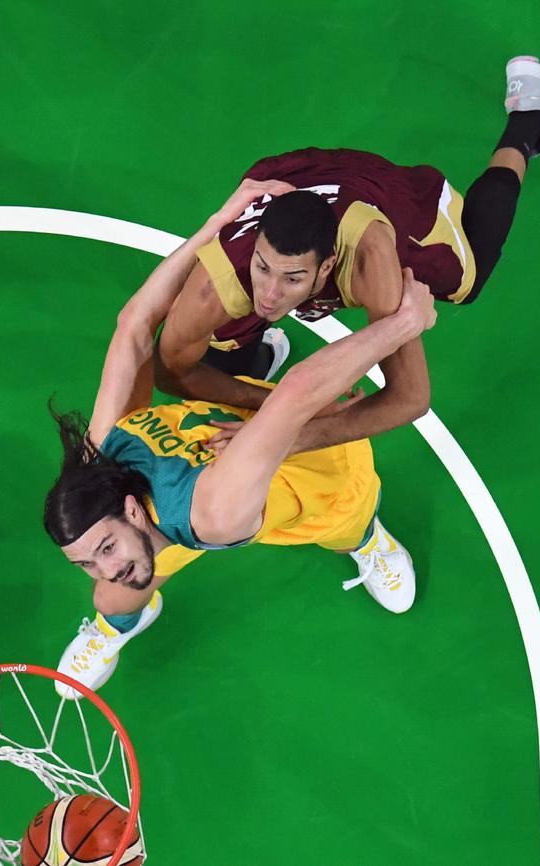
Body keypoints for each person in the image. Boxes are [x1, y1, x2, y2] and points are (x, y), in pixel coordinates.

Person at [43, 180, 436, 699]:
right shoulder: (105, 472)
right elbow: (134, 325)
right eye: (89, 559)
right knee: (112, 598)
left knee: (347, 517)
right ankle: (121, 627)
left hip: (306, 476)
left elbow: (294, 397)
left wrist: (404, 323)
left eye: (106, 549)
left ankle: (369, 542)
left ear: (131, 511)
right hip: (231, 438)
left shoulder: (211, 512)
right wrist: (215, 224)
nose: (105, 567)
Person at [154, 55, 540, 454]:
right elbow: (170, 372)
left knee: (467, 279)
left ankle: (529, 119)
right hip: (290, 177)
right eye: (263, 268)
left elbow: (411, 397)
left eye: (292, 278)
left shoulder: (371, 260)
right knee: (221, 344)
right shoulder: (220, 278)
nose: (270, 294)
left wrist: (284, 441)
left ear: (327, 266)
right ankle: (256, 361)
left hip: (371, 194)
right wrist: (269, 405)